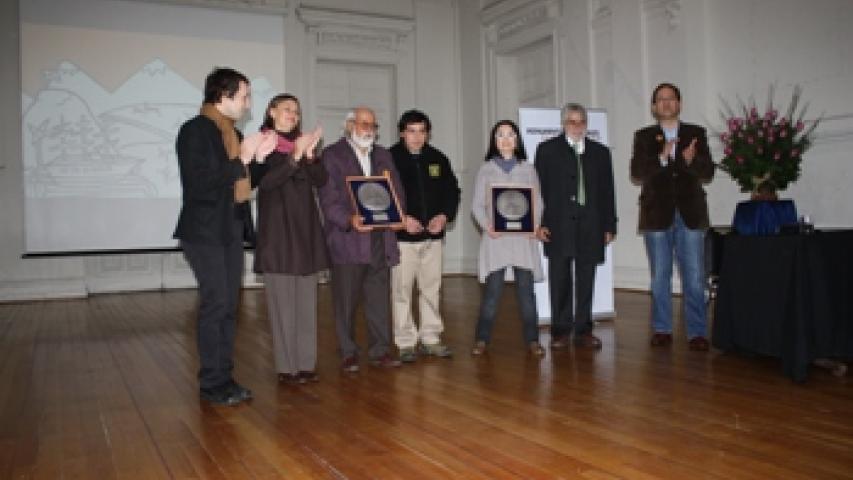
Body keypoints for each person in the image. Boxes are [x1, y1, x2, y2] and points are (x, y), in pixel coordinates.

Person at [174, 67, 276, 406]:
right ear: (223, 96)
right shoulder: (196, 131)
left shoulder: (230, 133)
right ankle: (211, 384)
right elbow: (201, 183)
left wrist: (258, 161)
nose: (248, 105)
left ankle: (224, 377)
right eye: (244, 96)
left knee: (229, 307)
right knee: (216, 304)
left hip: (230, 228)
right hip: (204, 231)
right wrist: (245, 158)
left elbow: (241, 182)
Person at [318, 107, 405, 371]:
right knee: (345, 299)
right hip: (348, 239)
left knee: (379, 297)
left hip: (380, 239)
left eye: (373, 126)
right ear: (348, 126)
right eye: (363, 123)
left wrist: (397, 213)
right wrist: (349, 219)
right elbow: (328, 198)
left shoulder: (384, 155)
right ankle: (348, 351)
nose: (368, 129)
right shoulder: (332, 155)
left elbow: (396, 191)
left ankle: (380, 350)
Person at [630, 82, 715, 351]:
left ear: (679, 104)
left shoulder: (695, 133)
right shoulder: (643, 137)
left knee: (694, 276)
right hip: (657, 215)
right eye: (660, 99)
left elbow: (708, 173)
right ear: (654, 107)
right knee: (660, 275)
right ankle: (662, 329)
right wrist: (663, 158)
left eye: (671, 98)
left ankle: (697, 332)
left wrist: (691, 161)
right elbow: (638, 172)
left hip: (690, 213)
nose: (666, 103)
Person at [253, 94, 327, 384]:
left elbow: (321, 179)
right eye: (287, 110)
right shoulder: (263, 143)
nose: (293, 115)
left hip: (306, 232)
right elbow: (267, 182)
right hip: (279, 235)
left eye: (296, 111)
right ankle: (287, 368)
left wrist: (309, 155)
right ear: (272, 112)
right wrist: (295, 156)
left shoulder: (303, 143)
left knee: (307, 303)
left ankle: (306, 364)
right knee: (283, 306)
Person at [534, 103, 617, 351]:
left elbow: (607, 192)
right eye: (571, 121)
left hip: (591, 226)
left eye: (581, 121)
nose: (577, 126)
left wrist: (610, 224)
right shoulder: (547, 150)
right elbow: (538, 191)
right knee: (559, 279)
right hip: (557, 226)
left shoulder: (601, 153)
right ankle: (560, 330)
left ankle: (583, 329)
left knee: (586, 279)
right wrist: (539, 223)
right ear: (563, 124)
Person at [389, 109, 461, 363]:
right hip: (402, 241)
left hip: (433, 239)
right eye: (411, 131)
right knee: (402, 290)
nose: (417, 137)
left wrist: (444, 215)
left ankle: (430, 338)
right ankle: (406, 342)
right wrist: (401, 220)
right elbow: (383, 195)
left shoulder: (438, 158)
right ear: (402, 133)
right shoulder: (389, 158)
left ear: (427, 133)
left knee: (431, 288)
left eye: (422, 131)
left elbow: (452, 191)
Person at [471, 120, 545, 356]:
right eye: (500, 135)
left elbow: (538, 203)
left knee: (526, 293)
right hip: (497, 239)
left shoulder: (529, 169)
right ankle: (482, 339)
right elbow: (477, 206)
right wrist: (487, 226)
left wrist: (534, 225)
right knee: (492, 293)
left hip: (523, 240)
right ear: (494, 140)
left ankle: (533, 340)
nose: (505, 139)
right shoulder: (486, 169)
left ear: (517, 140)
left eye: (510, 134)